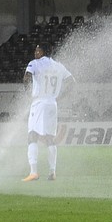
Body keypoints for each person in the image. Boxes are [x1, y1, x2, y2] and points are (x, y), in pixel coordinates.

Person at [22, 42, 73, 182]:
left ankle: (33, 172)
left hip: (39, 102)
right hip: (52, 103)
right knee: (50, 138)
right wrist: (59, 97)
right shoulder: (58, 66)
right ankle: (52, 172)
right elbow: (72, 82)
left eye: (38, 51)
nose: (35, 53)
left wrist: (29, 94)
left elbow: (26, 78)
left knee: (32, 135)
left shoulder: (34, 63)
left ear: (43, 52)